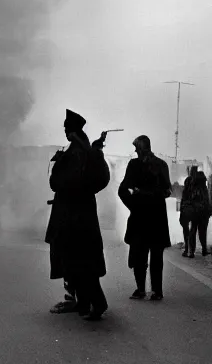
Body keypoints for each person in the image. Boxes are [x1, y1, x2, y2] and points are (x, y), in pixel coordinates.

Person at [45, 109, 110, 320]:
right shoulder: (77, 150)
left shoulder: (82, 152)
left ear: (74, 131)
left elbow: (71, 180)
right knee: (75, 261)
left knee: (82, 261)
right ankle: (84, 304)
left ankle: (97, 304)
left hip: (76, 215)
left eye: (67, 129)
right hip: (73, 213)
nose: (65, 132)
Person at [118, 135, 172, 301]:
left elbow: (123, 190)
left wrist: (135, 204)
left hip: (141, 215)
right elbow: (167, 191)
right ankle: (156, 291)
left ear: (141, 148)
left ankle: (141, 289)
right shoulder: (161, 164)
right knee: (155, 255)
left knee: (140, 253)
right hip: (156, 215)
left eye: (136, 147)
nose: (135, 150)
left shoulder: (135, 165)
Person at [179, 165, 210, 258]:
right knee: (199, 230)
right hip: (199, 210)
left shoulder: (191, 182)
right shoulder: (196, 184)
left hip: (195, 210)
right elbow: (205, 199)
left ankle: (190, 251)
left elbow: (185, 197)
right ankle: (197, 250)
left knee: (194, 229)